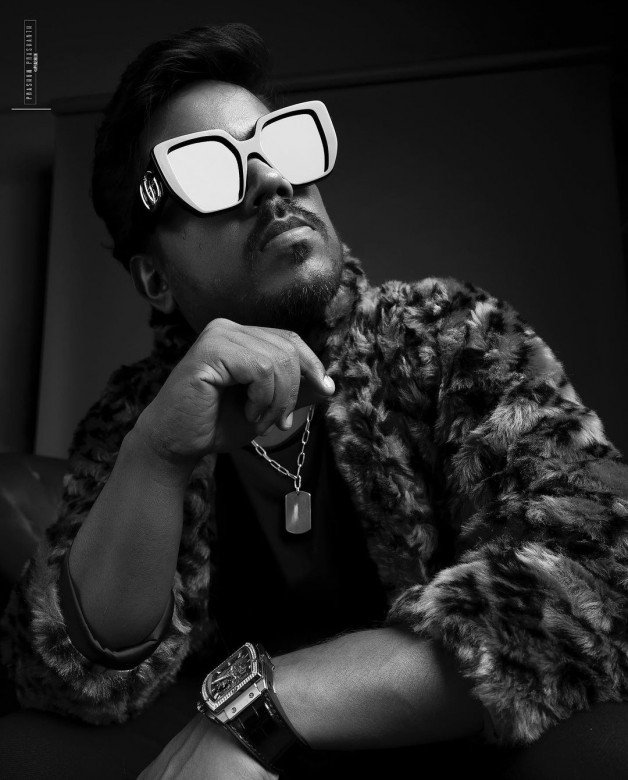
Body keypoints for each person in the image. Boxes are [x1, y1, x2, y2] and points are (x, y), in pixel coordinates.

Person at [2, 21, 628, 780]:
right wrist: (157, 455)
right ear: (155, 278)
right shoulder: (136, 414)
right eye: (210, 169)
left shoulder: (450, 336)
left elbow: (599, 576)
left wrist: (258, 707)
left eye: (281, 145)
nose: (272, 181)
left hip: (436, 742)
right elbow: (61, 681)